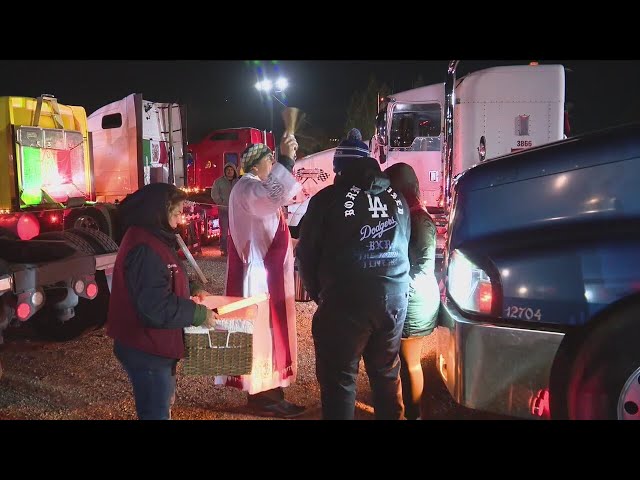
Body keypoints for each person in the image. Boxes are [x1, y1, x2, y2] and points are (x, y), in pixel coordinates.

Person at [296, 131, 412, 420]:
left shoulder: (327, 200)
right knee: (386, 374)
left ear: (339, 169)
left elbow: (306, 254)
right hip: (393, 298)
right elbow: (404, 244)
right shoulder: (397, 198)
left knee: (340, 380)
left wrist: (317, 292)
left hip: (345, 299)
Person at [106, 183, 217, 420]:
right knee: (155, 412)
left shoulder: (152, 237)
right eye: (176, 213)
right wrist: (198, 314)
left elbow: (165, 273)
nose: (179, 220)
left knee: (160, 405)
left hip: (153, 346)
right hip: (146, 349)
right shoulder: (144, 247)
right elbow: (154, 306)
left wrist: (190, 287)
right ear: (158, 211)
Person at [219, 134, 306, 419]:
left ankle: (271, 392)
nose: (272, 165)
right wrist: (288, 160)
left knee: (268, 334)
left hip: (264, 272)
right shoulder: (247, 188)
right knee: (263, 335)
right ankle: (263, 396)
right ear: (255, 166)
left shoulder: (250, 187)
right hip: (258, 277)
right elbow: (274, 196)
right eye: (270, 161)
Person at [386, 162, 440, 420]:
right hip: (412, 297)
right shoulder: (413, 215)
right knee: (405, 363)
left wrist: (394, 284)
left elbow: (421, 269)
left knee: (410, 363)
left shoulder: (419, 221)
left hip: (414, 300)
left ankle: (414, 414)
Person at [211, 162, 239, 256]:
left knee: (235, 231)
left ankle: (235, 250)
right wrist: (221, 203)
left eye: (231, 170)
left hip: (236, 211)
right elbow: (214, 194)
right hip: (223, 210)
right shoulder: (218, 182)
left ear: (234, 171)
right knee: (224, 231)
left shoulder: (238, 181)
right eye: (227, 170)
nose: (229, 171)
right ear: (224, 171)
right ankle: (223, 249)